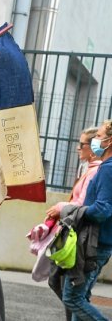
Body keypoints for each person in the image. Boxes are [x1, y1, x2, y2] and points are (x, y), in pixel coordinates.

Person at [43, 127, 101, 320]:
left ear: (93, 147)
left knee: (70, 293)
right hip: (74, 233)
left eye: (82, 144)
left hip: (81, 238)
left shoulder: (96, 172)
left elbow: (84, 204)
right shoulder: (87, 168)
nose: (78, 148)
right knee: (71, 291)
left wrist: (60, 207)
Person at [59, 119, 112, 320]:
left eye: (98, 137)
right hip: (98, 243)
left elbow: (102, 209)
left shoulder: (108, 169)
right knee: (80, 298)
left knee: (73, 299)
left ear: (109, 141)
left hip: (94, 244)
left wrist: (74, 211)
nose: (95, 141)